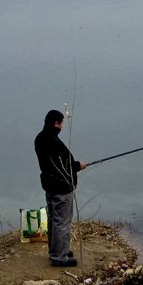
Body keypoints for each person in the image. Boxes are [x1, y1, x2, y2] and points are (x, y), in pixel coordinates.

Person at [34, 109, 86, 267]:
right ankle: (59, 257)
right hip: (61, 188)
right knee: (61, 222)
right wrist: (78, 166)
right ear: (56, 123)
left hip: (49, 186)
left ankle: (57, 249)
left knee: (53, 220)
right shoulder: (55, 143)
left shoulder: (40, 138)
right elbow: (65, 167)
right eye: (61, 123)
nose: (62, 127)